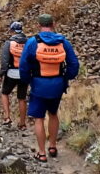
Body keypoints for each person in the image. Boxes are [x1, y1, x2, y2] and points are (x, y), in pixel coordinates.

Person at [19, 14, 80, 163]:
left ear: (39, 25)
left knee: (38, 119)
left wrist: (28, 81)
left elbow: (23, 65)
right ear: (53, 24)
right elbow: (74, 64)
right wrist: (66, 78)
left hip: (38, 86)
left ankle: (42, 153)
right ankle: (52, 146)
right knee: (53, 114)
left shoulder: (33, 42)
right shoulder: (62, 41)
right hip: (57, 86)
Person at [0, 20, 28, 128]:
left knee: (5, 93)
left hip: (11, 73)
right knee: (22, 98)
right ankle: (22, 123)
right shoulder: (28, 43)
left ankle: (7, 117)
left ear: (12, 31)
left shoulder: (9, 43)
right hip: (24, 74)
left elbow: (4, 61)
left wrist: (2, 74)